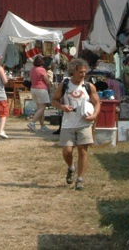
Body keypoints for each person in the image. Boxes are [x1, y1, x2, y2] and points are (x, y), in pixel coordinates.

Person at [51, 58, 100, 190]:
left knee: (82, 151)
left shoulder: (89, 86)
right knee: (67, 151)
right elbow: (54, 100)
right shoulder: (65, 85)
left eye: (85, 72)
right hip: (68, 123)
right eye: (80, 72)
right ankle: (71, 167)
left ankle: (80, 179)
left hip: (84, 123)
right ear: (73, 71)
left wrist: (94, 115)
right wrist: (62, 107)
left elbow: (97, 103)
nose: (83, 74)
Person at [26, 56, 52, 132]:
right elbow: (47, 81)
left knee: (39, 109)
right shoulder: (42, 70)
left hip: (33, 88)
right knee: (42, 108)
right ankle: (32, 122)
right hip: (41, 89)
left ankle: (42, 125)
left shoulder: (32, 69)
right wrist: (50, 84)